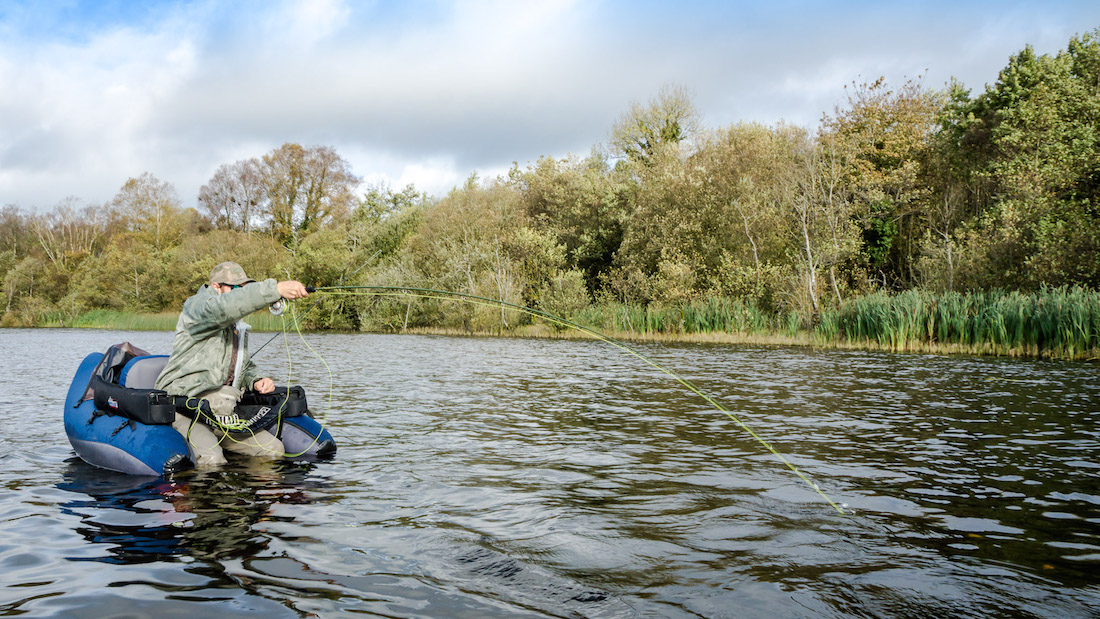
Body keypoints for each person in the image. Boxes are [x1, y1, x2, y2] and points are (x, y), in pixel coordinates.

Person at [155, 261, 310, 466]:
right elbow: (225, 307)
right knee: (212, 459)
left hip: (222, 412)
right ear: (216, 287)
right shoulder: (198, 308)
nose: (240, 293)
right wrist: (276, 289)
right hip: (185, 407)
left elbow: (241, 365)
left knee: (272, 450)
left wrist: (255, 380)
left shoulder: (235, 326)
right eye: (236, 288)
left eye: (244, 288)